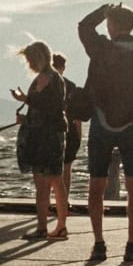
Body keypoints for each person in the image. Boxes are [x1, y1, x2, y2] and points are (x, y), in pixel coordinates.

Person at [79, 2, 133, 264]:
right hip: (132, 127)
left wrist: (102, 10)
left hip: (101, 124)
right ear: (132, 26)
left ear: (111, 26)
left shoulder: (102, 48)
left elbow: (83, 27)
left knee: (97, 184)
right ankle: (131, 245)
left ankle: (99, 244)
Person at [10, 42, 67, 240]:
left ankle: (49, 226)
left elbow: (49, 106)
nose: (29, 64)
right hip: (45, 134)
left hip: (47, 137)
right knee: (50, 181)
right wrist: (26, 117)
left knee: (46, 183)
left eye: (30, 60)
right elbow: (46, 109)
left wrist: (26, 99)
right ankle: (54, 225)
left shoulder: (48, 78)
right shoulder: (50, 78)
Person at [52, 53, 81, 235]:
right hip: (69, 131)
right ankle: (64, 202)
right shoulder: (71, 87)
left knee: (52, 170)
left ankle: (53, 203)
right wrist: (79, 135)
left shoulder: (46, 84)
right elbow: (78, 117)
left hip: (54, 132)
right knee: (66, 170)